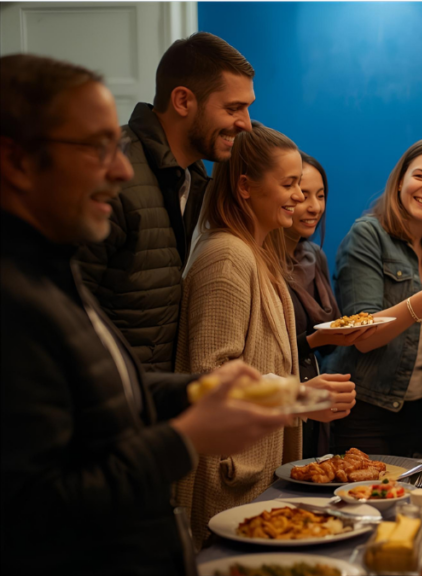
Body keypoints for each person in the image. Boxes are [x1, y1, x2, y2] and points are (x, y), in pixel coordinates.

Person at [0, 53, 291, 575]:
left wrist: (197, 392)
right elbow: (38, 508)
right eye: (95, 148)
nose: (118, 169)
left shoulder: (52, 264)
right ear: (17, 161)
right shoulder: (14, 298)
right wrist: (186, 438)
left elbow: (107, 385)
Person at [174, 123, 357, 547]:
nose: (300, 196)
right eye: (290, 184)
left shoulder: (260, 254)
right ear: (244, 187)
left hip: (255, 475)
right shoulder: (226, 257)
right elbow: (211, 379)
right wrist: (303, 397)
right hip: (228, 483)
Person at [76, 32, 255, 372]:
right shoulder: (111, 176)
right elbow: (63, 311)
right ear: (183, 101)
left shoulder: (190, 177)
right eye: (234, 108)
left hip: (148, 404)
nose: (245, 124)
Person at [324, 137, 422, 458]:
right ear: (400, 182)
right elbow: (361, 336)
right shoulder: (368, 235)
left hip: (414, 410)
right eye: (421, 176)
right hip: (360, 407)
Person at [285, 152, 376, 457]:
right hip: (279, 409)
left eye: (320, 195)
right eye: (302, 195)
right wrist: (317, 338)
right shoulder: (261, 264)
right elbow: (266, 353)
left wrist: (332, 338)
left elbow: (325, 346)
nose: (314, 207)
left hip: (316, 407)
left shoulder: (315, 256)